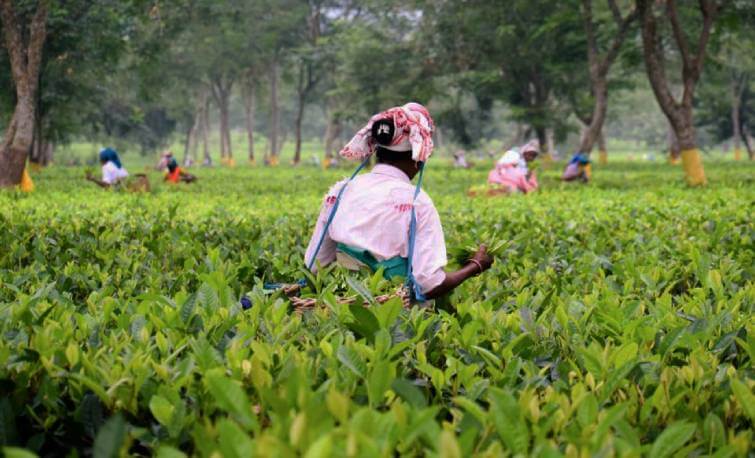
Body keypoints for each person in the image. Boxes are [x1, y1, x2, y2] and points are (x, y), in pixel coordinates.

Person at [304, 102, 494, 301]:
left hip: (340, 305)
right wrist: (475, 266)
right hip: (393, 310)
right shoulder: (416, 202)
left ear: (377, 151)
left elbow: (313, 266)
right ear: (418, 157)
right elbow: (430, 285)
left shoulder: (341, 190)